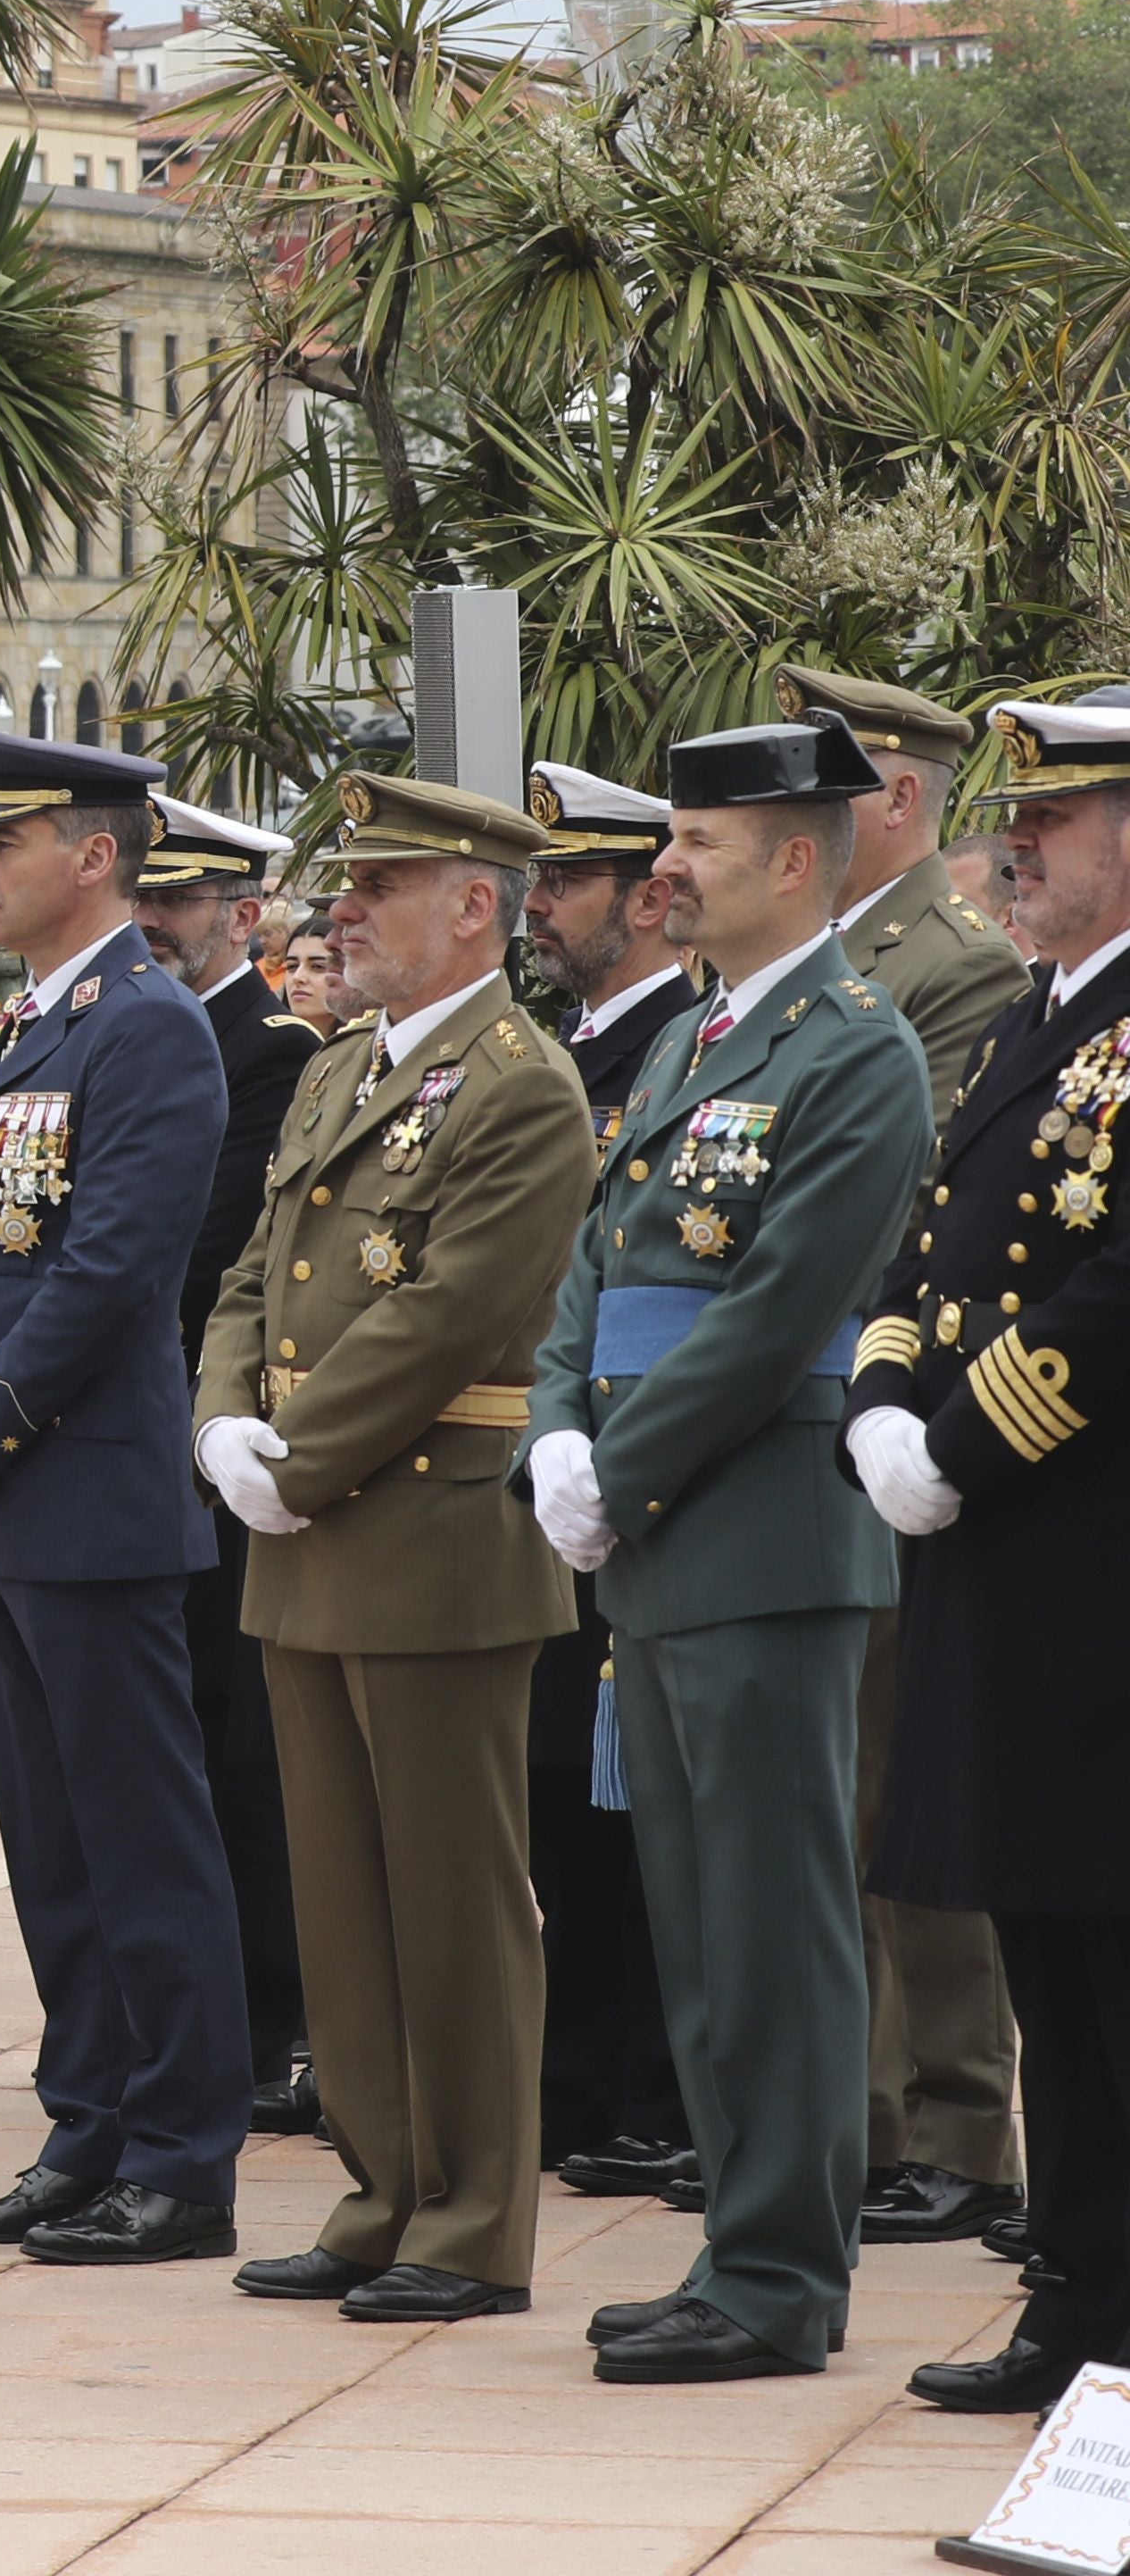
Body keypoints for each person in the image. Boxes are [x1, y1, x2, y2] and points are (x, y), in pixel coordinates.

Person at [527, 711, 931, 2385]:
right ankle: (735, 2242)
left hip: (759, 1536)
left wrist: (610, 1466)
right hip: (659, 1538)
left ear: (786, 859)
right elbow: (593, 1256)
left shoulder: (850, 1049)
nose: (663, 868)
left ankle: (778, 2275)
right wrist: (554, 1420)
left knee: (772, 1926)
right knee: (694, 1920)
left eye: (694, 844)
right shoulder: (701, 1036)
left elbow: (775, 1313)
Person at [194, 773, 598, 2326]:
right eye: (344, 883)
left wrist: (293, 1454)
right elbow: (252, 1272)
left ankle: (475, 2216)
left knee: (450, 1890)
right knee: (339, 1892)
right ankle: (378, 2186)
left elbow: (452, 1311)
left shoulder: (519, 1082)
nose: (341, 910)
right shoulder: (340, 1068)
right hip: (304, 1531)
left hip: (427, 1527)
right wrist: (223, 1419)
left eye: (380, 884)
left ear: (475, 907)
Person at [0, 729, 243, 2267]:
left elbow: (111, 1263)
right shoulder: (40, 1020)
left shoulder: (144, 1027)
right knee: (49, 1841)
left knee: (139, 1837)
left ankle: (178, 2148)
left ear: (90, 855)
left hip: (79, 1485)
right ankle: (86, 2116)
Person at [849, 684, 1130, 2415]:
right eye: (1012, 821)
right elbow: (930, 1243)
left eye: (1053, 821)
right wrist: (882, 1404)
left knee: (1113, 1955)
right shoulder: (1042, 1015)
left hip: (1095, 1561)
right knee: (1048, 1944)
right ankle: (1079, 2302)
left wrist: (959, 1443)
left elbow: (1117, 1299)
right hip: (1003, 1561)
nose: (1012, 846)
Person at [775, 664, 1034, 2255]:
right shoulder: (812, 963)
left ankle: (955, 2115)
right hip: (816, 1419)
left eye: (837, 786)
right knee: (838, 1792)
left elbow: (905, 1186)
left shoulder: (949, 967)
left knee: (907, 1781)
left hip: (912, 1414)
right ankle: (866, 2110)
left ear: (901, 799)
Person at [516, 757, 701, 2201]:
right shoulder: (567, 1051)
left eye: (562, 878)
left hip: (637, 1467)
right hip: (551, 1459)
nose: (538, 903)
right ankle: (580, 2074)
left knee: (629, 1798)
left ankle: (645, 2083)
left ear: (647, 898)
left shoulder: (681, 1052)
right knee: (561, 1798)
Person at [137, 795, 327, 2137]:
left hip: (214, 1438)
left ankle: (280, 2019)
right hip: (145, 1435)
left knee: (245, 1752)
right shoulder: (127, 1035)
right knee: (183, 1748)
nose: (153, 922)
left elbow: (209, 1252)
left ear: (241, 916)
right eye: (141, 897)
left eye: (180, 902)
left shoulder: (271, 1051)